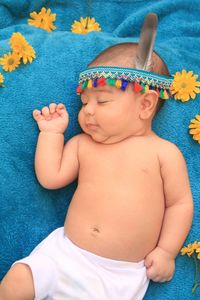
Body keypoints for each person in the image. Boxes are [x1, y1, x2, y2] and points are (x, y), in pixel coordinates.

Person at [0, 42, 193, 300]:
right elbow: (50, 178)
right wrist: (52, 134)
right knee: (19, 278)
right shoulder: (82, 145)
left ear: (145, 105)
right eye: (83, 103)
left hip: (118, 277)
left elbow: (180, 204)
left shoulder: (164, 153)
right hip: (64, 255)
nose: (88, 111)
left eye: (102, 100)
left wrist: (167, 251)